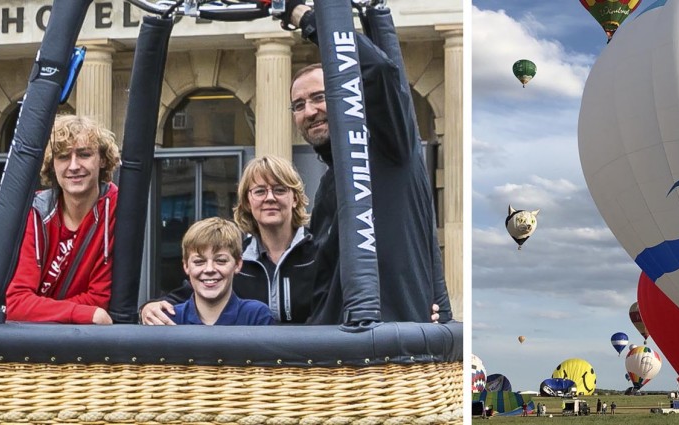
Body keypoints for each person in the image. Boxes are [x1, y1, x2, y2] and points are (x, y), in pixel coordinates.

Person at [284, 1, 451, 325]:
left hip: (392, 352)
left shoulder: (390, 150)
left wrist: (307, 18)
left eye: (319, 97)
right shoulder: (328, 188)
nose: (309, 111)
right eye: (298, 105)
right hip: (338, 358)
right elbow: (324, 288)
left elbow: (379, 70)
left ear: (346, 92)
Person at [140, 156, 318, 324]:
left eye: (280, 190)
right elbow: (193, 289)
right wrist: (148, 307)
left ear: (295, 199)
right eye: (260, 191)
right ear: (248, 202)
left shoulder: (318, 255)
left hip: (310, 354)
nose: (270, 198)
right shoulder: (238, 257)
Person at [5, 115, 119, 324]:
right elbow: (15, 303)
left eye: (84, 154)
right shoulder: (36, 212)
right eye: (64, 156)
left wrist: (42, 309)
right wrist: (81, 313)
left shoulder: (116, 209)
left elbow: (101, 299)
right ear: (52, 164)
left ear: (102, 160)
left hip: (90, 344)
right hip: (37, 345)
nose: (74, 166)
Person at [168, 217, 274, 326]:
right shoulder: (168, 319)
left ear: (238, 264)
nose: (209, 269)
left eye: (221, 261)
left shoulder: (256, 316)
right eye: (199, 261)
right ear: (186, 265)